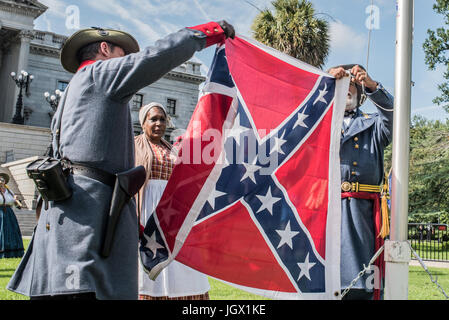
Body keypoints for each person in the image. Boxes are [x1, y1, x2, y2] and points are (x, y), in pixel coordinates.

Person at [7, 21, 235, 300]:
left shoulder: (73, 89)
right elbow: (155, 57)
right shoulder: (99, 75)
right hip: (91, 217)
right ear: (104, 49)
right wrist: (208, 33)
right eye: (122, 55)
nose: (126, 61)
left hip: (71, 216)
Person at [328, 64, 394, 300]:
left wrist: (373, 86)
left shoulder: (373, 124)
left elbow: (395, 116)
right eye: (340, 85)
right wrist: (323, 84)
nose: (346, 88)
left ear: (361, 93)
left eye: (351, 85)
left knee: (362, 281)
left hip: (361, 214)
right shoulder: (317, 122)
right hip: (325, 209)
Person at [135, 103, 210, 300]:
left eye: (162, 119)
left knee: (181, 265)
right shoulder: (132, 145)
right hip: (146, 213)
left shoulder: (173, 150)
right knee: (149, 268)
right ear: (143, 123)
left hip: (171, 215)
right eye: (153, 119)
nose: (159, 123)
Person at [0, 173, 24, 259]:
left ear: (5, 182)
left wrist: (16, 200)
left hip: (9, 214)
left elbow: (18, 206)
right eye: (0, 180)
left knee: (11, 232)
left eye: (2, 180)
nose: (1, 182)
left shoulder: (9, 192)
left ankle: (13, 252)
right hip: (0, 213)